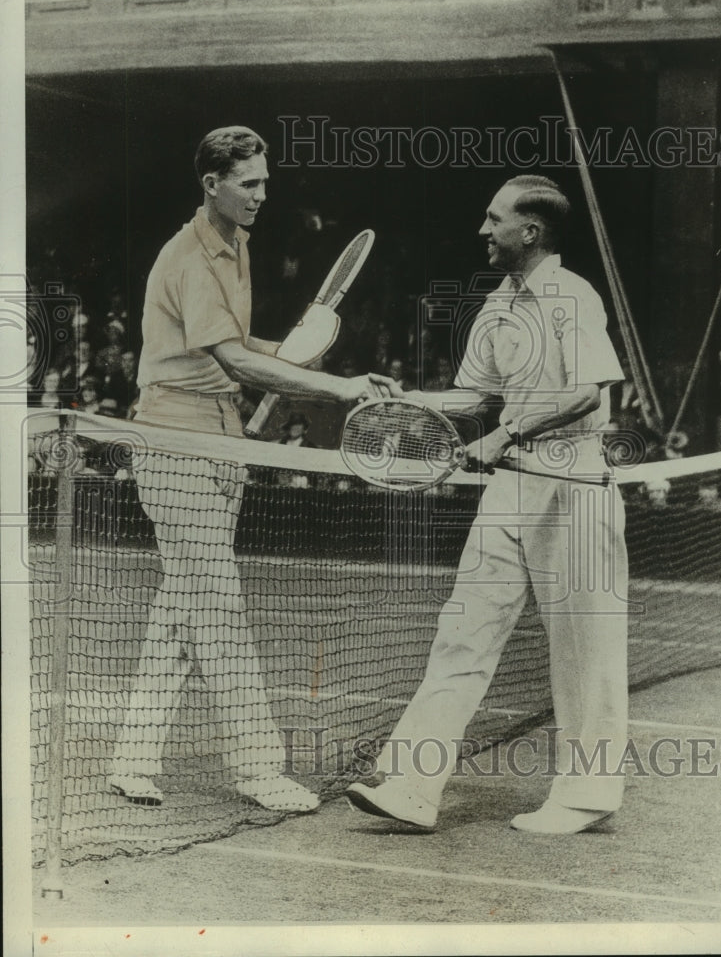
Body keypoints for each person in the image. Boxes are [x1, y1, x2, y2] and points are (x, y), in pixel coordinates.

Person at [111, 125, 399, 813]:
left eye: (266, 182)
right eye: (249, 183)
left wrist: (298, 355)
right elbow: (234, 363)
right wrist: (336, 388)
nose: (262, 195)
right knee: (217, 605)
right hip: (174, 444)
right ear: (212, 185)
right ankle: (259, 766)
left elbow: (240, 346)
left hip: (225, 441)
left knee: (182, 605)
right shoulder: (186, 257)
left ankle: (132, 758)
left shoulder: (238, 243)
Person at [346, 175, 629, 834]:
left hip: (574, 484)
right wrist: (407, 401)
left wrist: (504, 434)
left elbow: (587, 392)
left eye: (492, 219)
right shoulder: (497, 305)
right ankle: (411, 787)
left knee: (584, 647)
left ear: (528, 232)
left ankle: (586, 797)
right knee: (461, 632)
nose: (482, 230)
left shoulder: (570, 295)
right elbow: (474, 396)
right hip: (511, 487)